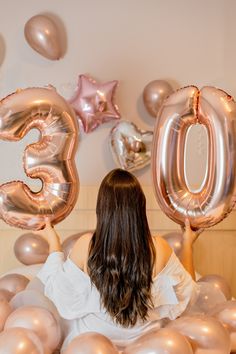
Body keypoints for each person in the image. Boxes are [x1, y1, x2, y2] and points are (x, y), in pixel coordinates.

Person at [36, 168, 202, 352]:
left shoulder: (86, 245)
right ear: (140, 208)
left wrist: (54, 241)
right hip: (146, 346)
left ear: (102, 209)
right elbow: (188, 294)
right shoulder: (159, 248)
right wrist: (188, 244)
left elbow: (58, 292)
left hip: (91, 346)